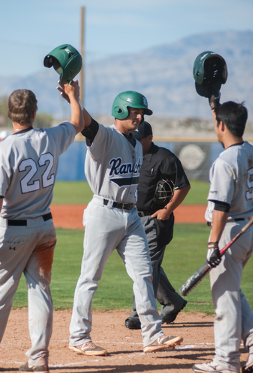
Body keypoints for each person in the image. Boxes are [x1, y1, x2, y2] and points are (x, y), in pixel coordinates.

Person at [0, 82, 84, 373]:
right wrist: (72, 96)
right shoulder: (52, 137)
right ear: (34, 112)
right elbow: (77, 122)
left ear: (10, 114)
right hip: (45, 227)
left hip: (13, 231)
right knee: (40, 290)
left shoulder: (3, 149)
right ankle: (39, 358)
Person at [58, 86, 183, 356]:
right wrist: (74, 98)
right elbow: (85, 124)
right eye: (135, 112)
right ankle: (79, 336)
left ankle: (152, 334)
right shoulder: (105, 136)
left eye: (141, 113)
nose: (139, 117)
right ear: (120, 110)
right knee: (90, 277)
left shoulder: (137, 144)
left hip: (131, 216)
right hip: (103, 212)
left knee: (144, 274)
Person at [192, 100, 253, 373]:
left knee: (225, 296)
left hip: (230, 231)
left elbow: (220, 207)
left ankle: (227, 360)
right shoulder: (250, 151)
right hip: (248, 227)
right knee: (234, 290)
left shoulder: (225, 161)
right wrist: (216, 104)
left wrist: (212, 244)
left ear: (221, 126)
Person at [125, 121, 190, 329]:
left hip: (155, 220)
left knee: (147, 266)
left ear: (150, 138)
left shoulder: (164, 157)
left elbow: (183, 185)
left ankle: (139, 313)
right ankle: (173, 302)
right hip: (133, 218)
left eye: (138, 140)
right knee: (146, 266)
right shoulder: (131, 155)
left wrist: (168, 209)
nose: (134, 143)